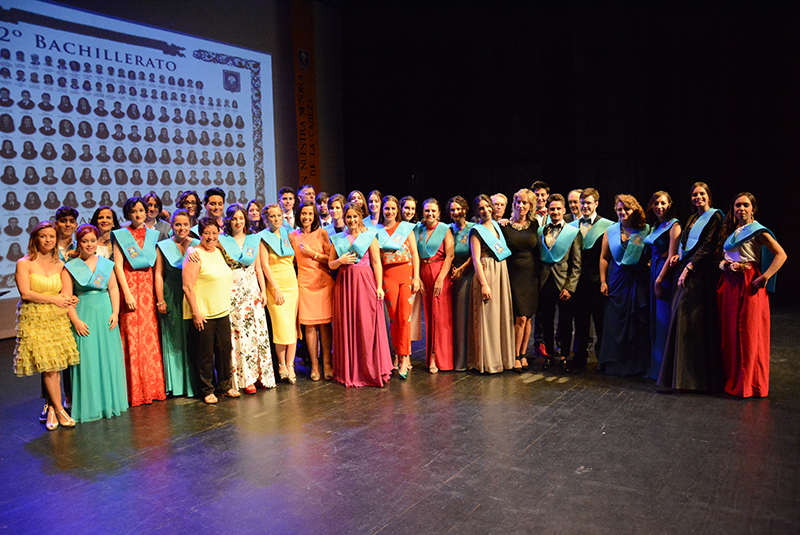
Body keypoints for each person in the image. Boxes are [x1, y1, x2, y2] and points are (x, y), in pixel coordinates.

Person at [717, 192, 786, 398]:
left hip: (749, 284)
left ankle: (750, 385)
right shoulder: (735, 231)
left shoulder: (757, 231)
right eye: (738, 205)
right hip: (731, 283)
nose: (741, 209)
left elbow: (781, 254)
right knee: (731, 333)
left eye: (746, 205)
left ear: (753, 208)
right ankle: (735, 380)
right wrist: (725, 265)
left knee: (748, 332)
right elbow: (725, 256)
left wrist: (765, 276)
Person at [658, 182, 724, 392]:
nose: (698, 198)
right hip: (686, 270)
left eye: (701, 194)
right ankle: (679, 377)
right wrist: (678, 253)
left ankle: (695, 380)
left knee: (692, 321)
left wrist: (689, 266)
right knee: (681, 320)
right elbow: (685, 242)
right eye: (695, 195)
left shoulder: (715, 217)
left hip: (700, 275)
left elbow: (707, 246)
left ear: (708, 196)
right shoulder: (692, 218)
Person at [14, 222, 80, 430]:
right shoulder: (24, 263)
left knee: (56, 365)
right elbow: (26, 293)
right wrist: (55, 300)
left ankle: (52, 407)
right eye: (43, 236)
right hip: (35, 317)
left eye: (52, 237)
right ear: (35, 238)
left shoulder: (59, 264)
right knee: (48, 365)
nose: (48, 240)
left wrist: (71, 299)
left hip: (57, 318)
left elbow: (65, 293)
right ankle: (59, 409)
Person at [64, 225, 129, 422]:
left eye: (92, 241)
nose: (89, 244)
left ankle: (108, 403)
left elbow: (113, 289)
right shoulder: (71, 267)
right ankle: (90, 405)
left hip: (105, 314)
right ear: (79, 243)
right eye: (85, 241)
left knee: (107, 357)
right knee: (88, 359)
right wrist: (75, 321)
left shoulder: (105, 264)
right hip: (84, 314)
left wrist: (116, 312)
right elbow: (66, 297)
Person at [328, 202, 392, 387]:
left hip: (365, 282)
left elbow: (376, 262)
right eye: (349, 217)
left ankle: (370, 370)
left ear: (360, 217)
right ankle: (351, 371)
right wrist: (339, 261)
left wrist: (379, 287)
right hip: (345, 284)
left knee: (366, 325)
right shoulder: (338, 238)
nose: (352, 220)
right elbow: (331, 264)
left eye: (355, 216)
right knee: (349, 324)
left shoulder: (369, 237)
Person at [112, 197, 166, 406]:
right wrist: (126, 293)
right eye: (134, 211)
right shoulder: (122, 236)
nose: (138, 214)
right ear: (127, 214)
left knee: (149, 339)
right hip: (131, 288)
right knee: (133, 339)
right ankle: (135, 391)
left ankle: (152, 388)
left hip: (148, 289)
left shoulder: (153, 236)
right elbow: (118, 266)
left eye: (141, 210)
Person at [182, 217, 240, 404]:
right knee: (205, 354)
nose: (211, 237)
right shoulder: (195, 255)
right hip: (204, 314)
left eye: (214, 233)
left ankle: (225, 386)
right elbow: (188, 287)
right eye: (207, 233)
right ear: (200, 234)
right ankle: (207, 390)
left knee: (224, 351)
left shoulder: (218, 251)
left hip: (222, 311)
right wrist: (196, 313)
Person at [219, 204, 275, 393]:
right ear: (228, 221)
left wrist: (263, 291)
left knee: (256, 332)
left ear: (245, 220)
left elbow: (258, 267)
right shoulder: (222, 241)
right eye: (234, 219)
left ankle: (261, 375)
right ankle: (246, 379)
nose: (237, 222)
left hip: (252, 290)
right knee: (239, 333)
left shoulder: (253, 240)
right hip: (233, 291)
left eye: (241, 218)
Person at [597, 194, 651, 376]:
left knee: (636, 322)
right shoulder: (611, 231)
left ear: (634, 210)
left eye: (626, 209)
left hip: (636, 281)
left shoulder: (644, 230)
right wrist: (603, 281)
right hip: (615, 281)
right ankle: (614, 364)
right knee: (614, 323)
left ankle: (635, 365)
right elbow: (604, 258)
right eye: (619, 209)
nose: (622, 212)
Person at [154, 210, 200, 397]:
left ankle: (194, 383)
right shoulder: (163, 246)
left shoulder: (197, 244)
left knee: (192, 339)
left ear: (190, 225)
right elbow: (158, 274)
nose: (182, 228)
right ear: (172, 225)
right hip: (171, 293)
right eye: (178, 224)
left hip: (192, 295)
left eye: (185, 224)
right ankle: (177, 385)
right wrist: (160, 300)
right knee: (174, 341)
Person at [468, 195, 515, 373]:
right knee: (487, 319)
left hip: (501, 272)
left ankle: (501, 359)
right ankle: (487, 362)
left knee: (499, 316)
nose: (486, 210)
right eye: (481, 208)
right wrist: (484, 284)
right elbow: (475, 259)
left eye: (488, 206)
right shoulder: (476, 230)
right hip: (487, 272)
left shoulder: (497, 225)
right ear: (477, 211)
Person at [290, 202, 335, 380]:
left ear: (314, 215)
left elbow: (330, 259)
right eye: (303, 214)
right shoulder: (292, 236)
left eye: (309, 214)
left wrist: (312, 253)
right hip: (304, 283)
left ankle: (327, 364)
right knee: (309, 327)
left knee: (325, 325)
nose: (306, 217)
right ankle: (314, 366)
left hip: (322, 282)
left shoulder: (322, 233)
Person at [376, 195, 420, 379]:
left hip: (406, 275)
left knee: (405, 317)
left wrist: (416, 277)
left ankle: (405, 358)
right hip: (388, 276)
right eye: (387, 209)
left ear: (397, 211)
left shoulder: (405, 229)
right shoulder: (377, 231)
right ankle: (397, 353)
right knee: (393, 317)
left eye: (393, 209)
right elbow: (376, 258)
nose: (390, 212)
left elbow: (415, 254)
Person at [537, 194, 582, 372]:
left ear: (564, 211)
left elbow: (577, 264)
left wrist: (570, 287)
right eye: (552, 209)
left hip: (564, 283)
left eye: (558, 209)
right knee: (546, 322)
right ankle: (548, 355)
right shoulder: (542, 231)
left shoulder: (573, 233)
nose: (555, 212)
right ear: (548, 211)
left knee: (565, 322)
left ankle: (564, 356)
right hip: (544, 283)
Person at [569, 188, 613, 368]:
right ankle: (579, 357)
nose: (585, 206)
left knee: (601, 322)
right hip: (578, 283)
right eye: (582, 203)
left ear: (596, 204)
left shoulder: (609, 226)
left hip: (598, 281)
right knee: (580, 322)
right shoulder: (571, 226)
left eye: (588, 203)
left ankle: (603, 358)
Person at [258, 204, 300, 383]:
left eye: (279, 215)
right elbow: (264, 265)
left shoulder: (287, 233)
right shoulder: (262, 237)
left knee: (291, 325)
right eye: (272, 216)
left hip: (292, 283)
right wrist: (275, 287)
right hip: (276, 284)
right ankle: (281, 363)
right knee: (280, 325)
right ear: (266, 218)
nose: (276, 219)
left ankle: (290, 365)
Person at [500, 189, 540, 371]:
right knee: (520, 317)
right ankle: (515, 355)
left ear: (530, 206)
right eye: (518, 202)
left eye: (525, 203)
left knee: (528, 317)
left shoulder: (534, 225)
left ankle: (523, 353)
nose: (521, 206)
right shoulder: (505, 226)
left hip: (531, 275)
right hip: (513, 275)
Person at [643, 192, 681, 380]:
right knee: (655, 321)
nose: (659, 206)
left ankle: (665, 373)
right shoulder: (657, 226)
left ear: (670, 204)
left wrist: (659, 279)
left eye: (663, 203)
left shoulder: (674, 225)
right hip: (654, 271)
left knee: (663, 319)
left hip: (663, 275)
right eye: (656, 203)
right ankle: (655, 369)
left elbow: (672, 253)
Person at [416, 198, 455, 373]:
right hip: (424, 272)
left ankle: (440, 358)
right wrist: (419, 278)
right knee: (428, 316)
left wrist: (440, 279)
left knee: (440, 318)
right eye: (427, 211)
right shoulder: (419, 230)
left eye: (433, 211)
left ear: (438, 213)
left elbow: (450, 256)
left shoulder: (444, 229)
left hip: (440, 272)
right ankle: (431, 356)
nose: (430, 214)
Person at [448, 195, 474, 371]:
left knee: (463, 318)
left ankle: (464, 360)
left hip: (467, 274)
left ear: (465, 209)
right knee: (451, 319)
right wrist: (451, 268)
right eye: (452, 210)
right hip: (450, 274)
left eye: (458, 209)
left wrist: (461, 270)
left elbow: (475, 253)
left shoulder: (473, 228)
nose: (456, 212)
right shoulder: (447, 229)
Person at [400, 195, 423, 343]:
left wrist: (417, 276)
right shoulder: (395, 227)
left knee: (412, 315)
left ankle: (407, 350)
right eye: (407, 208)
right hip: (399, 274)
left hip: (415, 273)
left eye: (412, 209)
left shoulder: (419, 227)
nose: (409, 211)